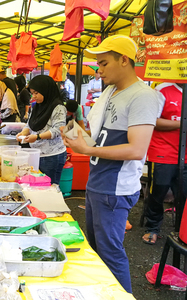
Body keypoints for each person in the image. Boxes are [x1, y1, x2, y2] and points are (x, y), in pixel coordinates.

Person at [62, 35, 158, 293]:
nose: (99, 70)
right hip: (98, 181)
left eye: (104, 63)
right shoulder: (109, 91)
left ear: (124, 60)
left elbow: (137, 149)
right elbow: (99, 135)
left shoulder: (143, 96)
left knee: (110, 254)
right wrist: (76, 135)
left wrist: (88, 148)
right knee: (96, 251)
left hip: (115, 188)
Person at [143, 82, 187, 245]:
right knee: (158, 192)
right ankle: (152, 228)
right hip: (163, 152)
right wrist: (182, 123)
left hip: (185, 155)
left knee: (184, 194)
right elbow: (151, 120)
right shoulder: (163, 90)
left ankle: (182, 231)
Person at [16, 75, 67, 184]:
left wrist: (37, 137)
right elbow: (29, 125)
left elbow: (58, 130)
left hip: (52, 156)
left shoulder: (58, 107)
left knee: (50, 187)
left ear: (45, 90)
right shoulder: (36, 106)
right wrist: (23, 133)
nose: (33, 96)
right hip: (37, 153)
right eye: (32, 93)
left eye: (36, 93)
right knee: (38, 185)